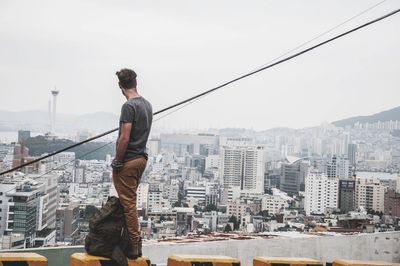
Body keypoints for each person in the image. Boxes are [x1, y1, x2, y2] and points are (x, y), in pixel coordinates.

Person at [111, 68, 153, 258]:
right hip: (141, 158)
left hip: (128, 160)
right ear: (136, 82)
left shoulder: (128, 107)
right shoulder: (147, 105)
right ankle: (129, 241)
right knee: (129, 202)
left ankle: (134, 245)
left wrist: (118, 161)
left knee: (128, 204)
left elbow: (124, 138)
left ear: (120, 86)